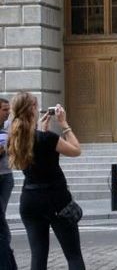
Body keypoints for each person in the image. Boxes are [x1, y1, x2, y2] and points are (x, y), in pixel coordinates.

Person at [8, 93, 84, 269]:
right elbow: (76, 150)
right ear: (33, 109)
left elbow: (33, 150)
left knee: (38, 255)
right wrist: (64, 124)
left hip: (30, 200)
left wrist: (43, 130)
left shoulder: (15, 138)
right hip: (56, 199)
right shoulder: (47, 138)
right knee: (73, 255)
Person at [0, 97, 17, 270]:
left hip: (6, 176)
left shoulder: (8, 128)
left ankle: (5, 248)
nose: (8, 113)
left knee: (1, 214)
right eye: (5, 109)